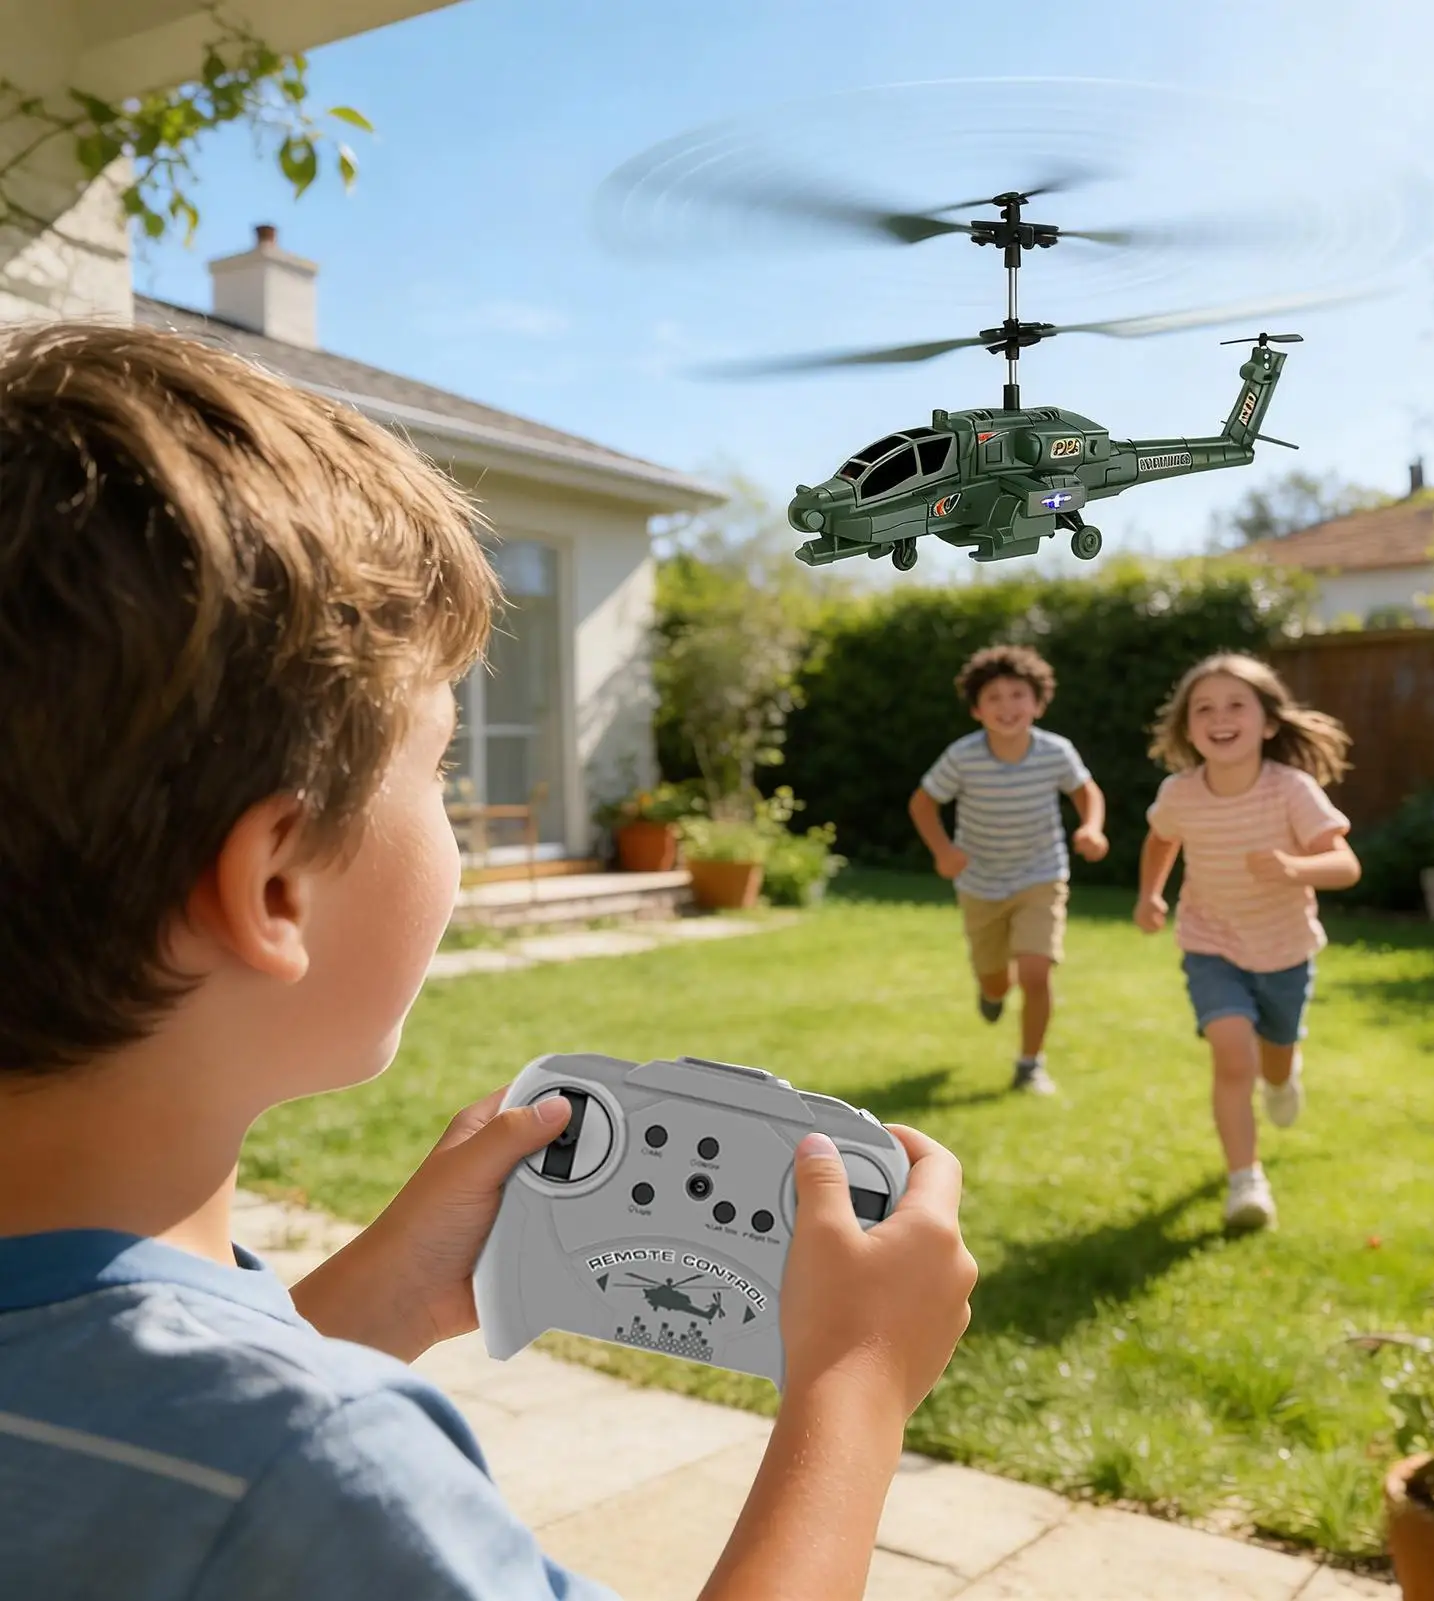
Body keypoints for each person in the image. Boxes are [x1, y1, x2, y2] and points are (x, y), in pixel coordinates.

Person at [0, 323, 979, 1601]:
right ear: (277, 887)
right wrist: (855, 1386)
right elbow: (237, 1480)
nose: (453, 807)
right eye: (440, 769)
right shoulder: (318, 1469)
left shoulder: (199, 1437)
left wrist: (384, 1296)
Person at [1133, 651, 1360, 1231]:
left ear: (1269, 722)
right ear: (1188, 728)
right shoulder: (1181, 794)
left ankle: (1283, 1077)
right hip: (1210, 943)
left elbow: (1345, 865)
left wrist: (1293, 867)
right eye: (1204, 709)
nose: (1220, 718)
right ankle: (1245, 1182)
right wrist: (1151, 895)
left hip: (1284, 949)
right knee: (1233, 1055)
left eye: (1236, 705)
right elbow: (1161, 840)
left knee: (1274, 1058)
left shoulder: (1292, 790)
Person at [909, 644, 1108, 1096]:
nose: (1007, 706)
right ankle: (992, 991)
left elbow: (1086, 792)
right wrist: (943, 851)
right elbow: (922, 804)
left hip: (1041, 875)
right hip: (980, 884)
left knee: (1036, 972)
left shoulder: (1055, 751)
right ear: (977, 710)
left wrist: (1092, 827)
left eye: (1018, 695)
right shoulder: (963, 756)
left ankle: (1030, 1064)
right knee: (996, 979)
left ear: (1038, 703)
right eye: (994, 698)